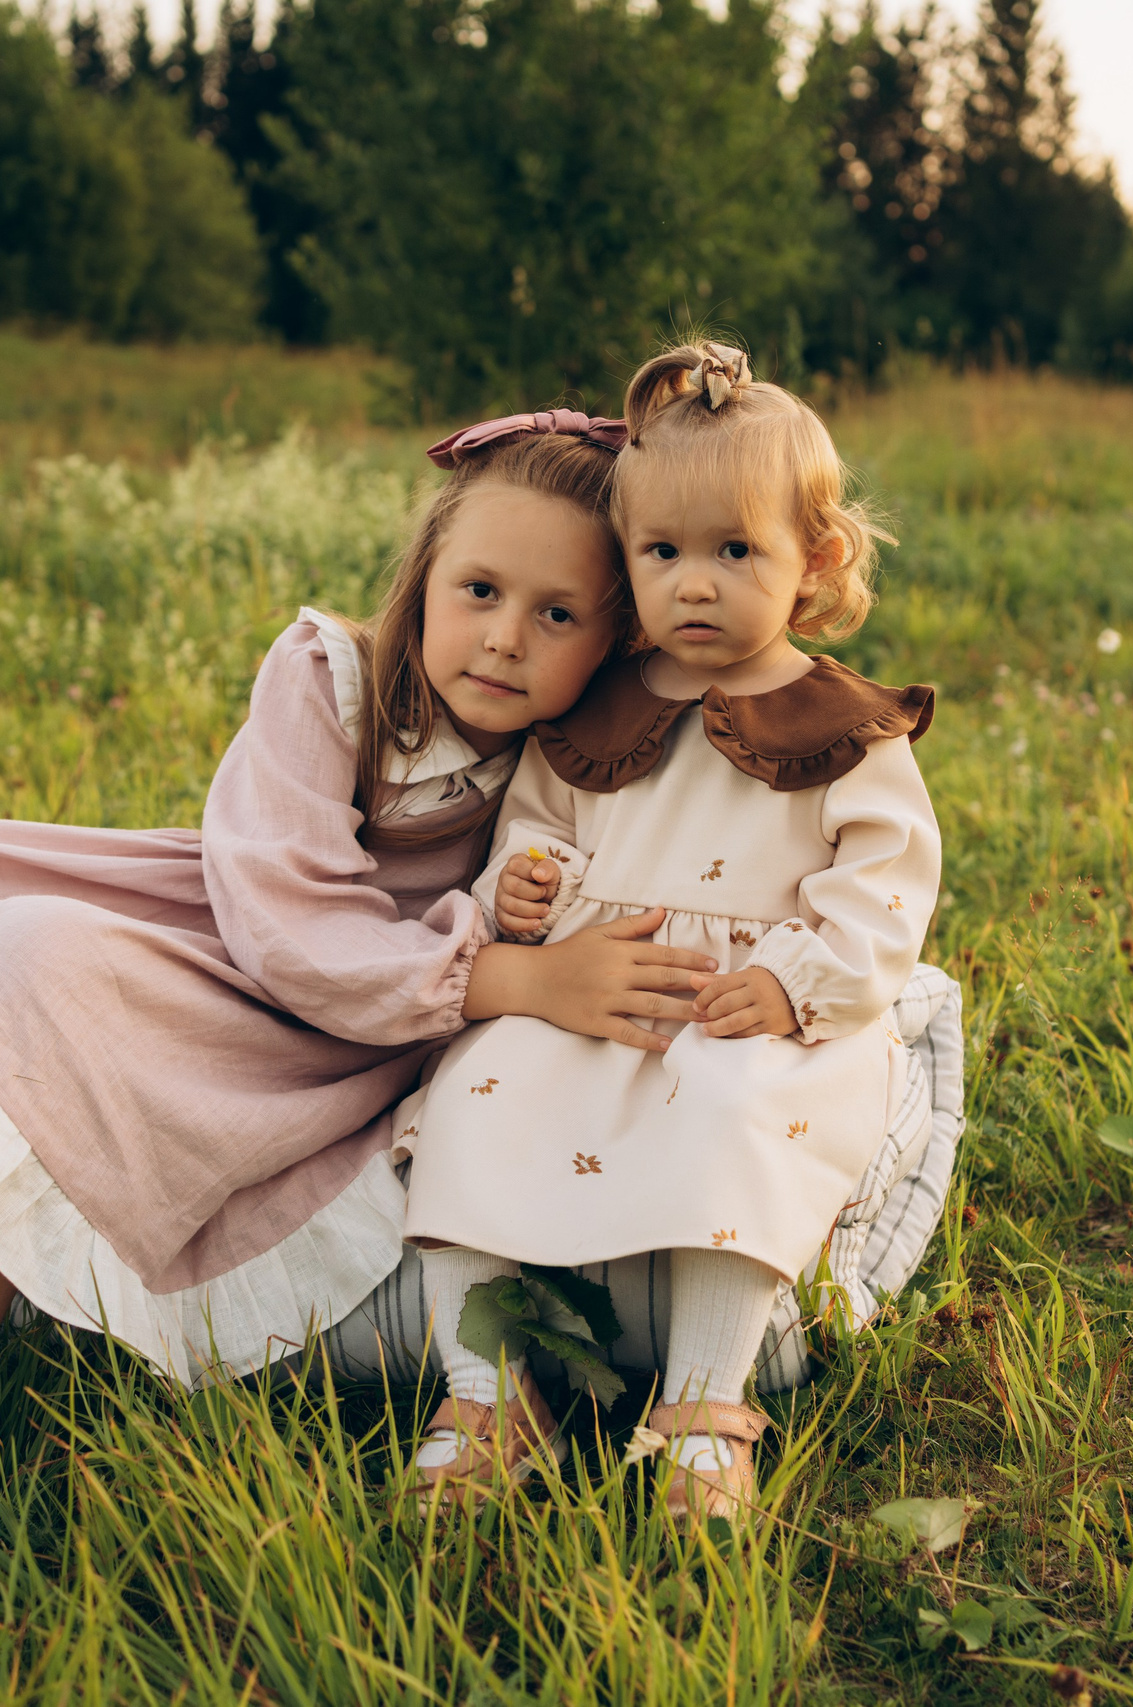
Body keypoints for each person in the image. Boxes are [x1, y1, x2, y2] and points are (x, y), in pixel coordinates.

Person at [0, 409, 726, 1604]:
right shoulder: (333, 673)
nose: (505, 639)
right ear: (424, 578)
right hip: (237, 935)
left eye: (557, 615)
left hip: (319, 1044)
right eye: (479, 590)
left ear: (613, 640)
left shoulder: (580, 760)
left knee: (35, 957)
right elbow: (279, 916)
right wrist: (508, 975)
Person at [397, 342, 942, 1522]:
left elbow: (886, 886)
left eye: (733, 551)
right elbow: (538, 825)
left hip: (745, 1005)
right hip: (592, 989)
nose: (694, 584)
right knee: (472, 1090)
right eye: (662, 554)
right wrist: (524, 892)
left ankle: (702, 1403)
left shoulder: (844, 728)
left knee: (738, 1111)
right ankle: (488, 1393)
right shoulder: (601, 708)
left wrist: (805, 982)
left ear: (817, 558)